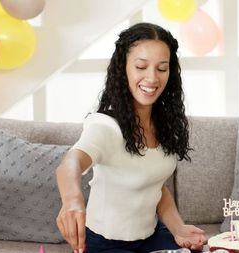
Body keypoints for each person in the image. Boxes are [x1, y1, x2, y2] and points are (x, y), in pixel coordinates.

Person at [55, 22, 206, 253]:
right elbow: (70, 163)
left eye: (162, 68)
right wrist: (72, 199)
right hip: (105, 244)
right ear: (123, 68)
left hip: (151, 236)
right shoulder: (105, 126)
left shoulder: (165, 124)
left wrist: (178, 228)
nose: (152, 78)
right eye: (141, 66)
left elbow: (155, 185)